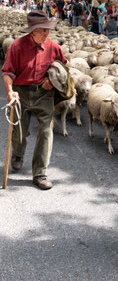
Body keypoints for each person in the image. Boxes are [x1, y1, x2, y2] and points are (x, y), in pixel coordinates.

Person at [1, 11, 67, 190]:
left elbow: (63, 66)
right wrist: (9, 91)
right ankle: (18, 154)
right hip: (20, 92)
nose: (46, 34)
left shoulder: (53, 46)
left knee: (46, 131)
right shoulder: (16, 46)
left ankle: (40, 173)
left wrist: (51, 79)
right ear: (32, 31)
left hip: (44, 94)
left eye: (48, 30)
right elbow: (7, 72)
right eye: (42, 30)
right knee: (19, 132)